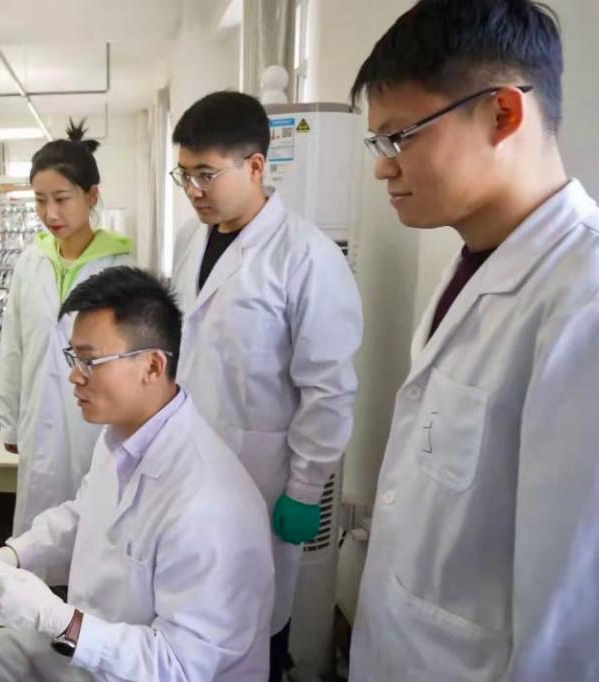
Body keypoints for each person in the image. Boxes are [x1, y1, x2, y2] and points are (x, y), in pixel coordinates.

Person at [348, 1, 599, 680]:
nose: (383, 168)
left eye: (398, 136)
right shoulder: (473, 265)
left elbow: (577, 623)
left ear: (501, 113)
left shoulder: (595, 302)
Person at [0, 266, 276, 681]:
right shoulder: (123, 436)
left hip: (150, 670)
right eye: (74, 357)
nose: (74, 375)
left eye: (91, 361)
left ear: (152, 366)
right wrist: (13, 555)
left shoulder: (209, 504)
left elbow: (181, 667)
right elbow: (84, 515)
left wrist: (59, 620)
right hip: (97, 654)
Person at [169, 90, 363, 678]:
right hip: (186, 468)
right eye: (184, 175)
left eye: (206, 174)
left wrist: (305, 491)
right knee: (189, 621)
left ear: (255, 166)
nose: (193, 190)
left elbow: (328, 390)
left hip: (260, 479)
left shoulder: (308, 256)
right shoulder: (190, 242)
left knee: (256, 631)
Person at [0, 120, 133, 572]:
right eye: (39, 200)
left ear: (91, 196)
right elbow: (13, 347)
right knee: (38, 550)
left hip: (99, 427)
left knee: (97, 544)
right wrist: (10, 421)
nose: (50, 212)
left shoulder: (121, 267)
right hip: (39, 423)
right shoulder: (29, 263)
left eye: (61, 198)